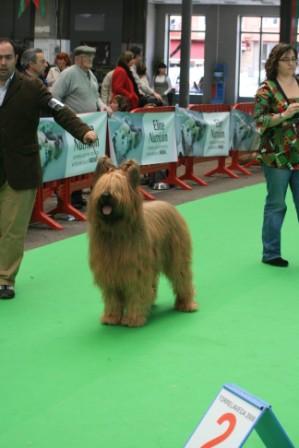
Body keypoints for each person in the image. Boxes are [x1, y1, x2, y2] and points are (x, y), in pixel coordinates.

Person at [0, 38, 97, 299]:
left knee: (12, 229)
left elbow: (60, 110)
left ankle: (4, 279)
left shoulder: (31, 87)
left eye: (8, 57)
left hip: (20, 169)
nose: (2, 62)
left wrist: (84, 131)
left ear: (16, 59)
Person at [254, 42, 299, 267]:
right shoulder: (266, 89)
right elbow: (259, 121)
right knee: (276, 204)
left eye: (294, 59)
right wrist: (283, 115)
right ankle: (271, 253)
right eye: (286, 59)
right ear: (275, 62)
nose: (291, 63)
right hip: (276, 156)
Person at [52, 45, 110, 208]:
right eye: (87, 56)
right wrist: (67, 115)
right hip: (71, 127)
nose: (91, 59)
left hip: (88, 126)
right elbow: (54, 97)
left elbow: (96, 95)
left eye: (92, 56)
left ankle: (76, 197)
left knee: (82, 163)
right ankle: (67, 199)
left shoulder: (90, 74)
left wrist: (102, 105)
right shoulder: (68, 74)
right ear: (77, 58)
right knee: (72, 163)